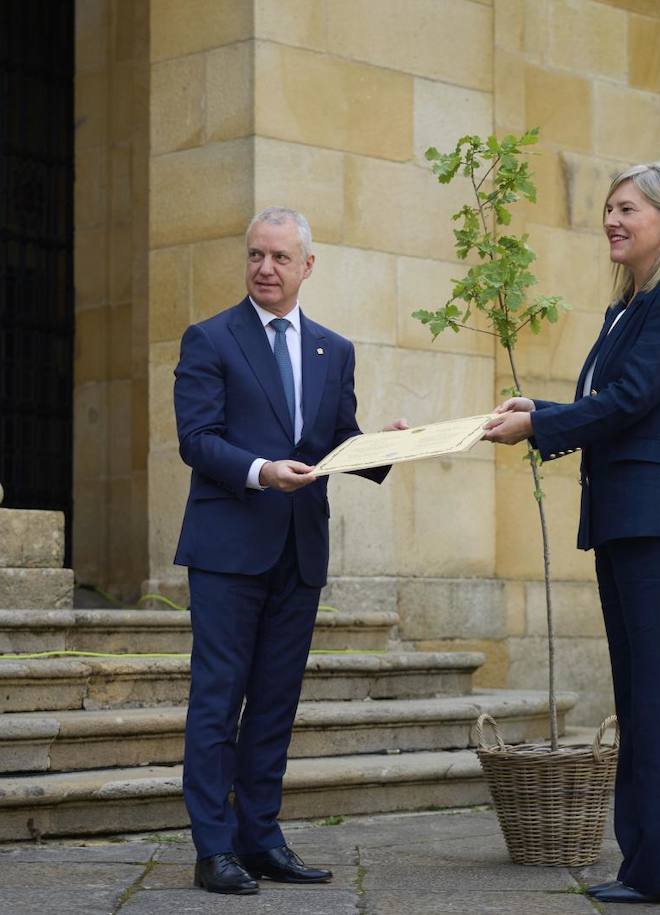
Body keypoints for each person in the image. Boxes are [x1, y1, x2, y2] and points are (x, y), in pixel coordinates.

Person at [483, 163, 660, 904]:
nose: (611, 220)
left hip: (653, 519)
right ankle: (646, 864)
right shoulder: (633, 304)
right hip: (624, 518)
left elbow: (631, 399)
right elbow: (613, 399)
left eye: (626, 208)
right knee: (641, 697)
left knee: (659, 697)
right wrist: (541, 404)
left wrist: (539, 426)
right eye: (608, 209)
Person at [173, 206, 406, 895]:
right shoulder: (210, 338)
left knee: (276, 701)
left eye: (279, 257)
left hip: (299, 549)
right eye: (255, 255)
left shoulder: (335, 349)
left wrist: (387, 445)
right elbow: (198, 438)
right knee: (219, 700)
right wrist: (260, 470)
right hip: (228, 549)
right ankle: (213, 847)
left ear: (307, 265)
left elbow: (336, 441)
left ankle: (262, 837)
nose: (265, 268)